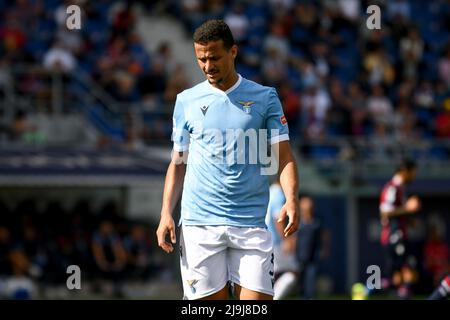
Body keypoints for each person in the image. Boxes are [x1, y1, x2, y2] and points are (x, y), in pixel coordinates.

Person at [156, 19, 300, 300]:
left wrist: (291, 199)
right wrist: (165, 213)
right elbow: (178, 163)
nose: (208, 66)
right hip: (200, 224)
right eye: (202, 59)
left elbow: (283, 158)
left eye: (214, 57)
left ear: (233, 51)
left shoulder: (265, 98)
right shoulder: (186, 101)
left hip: (251, 223)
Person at [379, 158, 421, 299]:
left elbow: (397, 212)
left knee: (397, 276)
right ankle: (367, 289)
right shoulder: (392, 187)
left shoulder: (401, 188)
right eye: (413, 172)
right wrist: (407, 208)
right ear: (405, 171)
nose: (414, 176)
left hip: (399, 234)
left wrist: (409, 220)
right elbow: (384, 212)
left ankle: (367, 290)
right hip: (393, 235)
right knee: (408, 271)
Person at [265, 181, 299, 300]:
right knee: (293, 272)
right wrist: (286, 239)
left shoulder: (268, 191)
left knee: (268, 275)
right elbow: (278, 219)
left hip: (264, 238)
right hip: (275, 241)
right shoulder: (278, 194)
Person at [296, 195, 321, 299]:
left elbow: (324, 235)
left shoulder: (316, 220)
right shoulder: (297, 220)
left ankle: (309, 296)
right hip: (298, 255)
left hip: (312, 255)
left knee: (311, 277)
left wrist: (324, 249)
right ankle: (301, 295)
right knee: (300, 278)